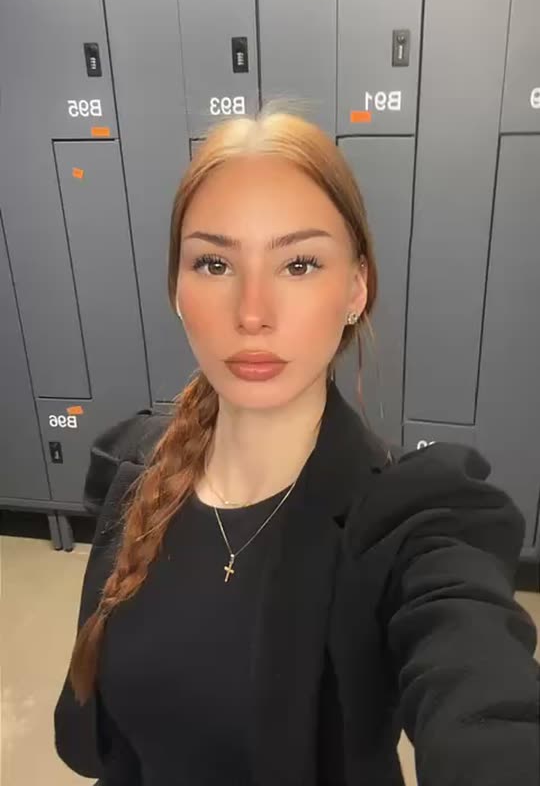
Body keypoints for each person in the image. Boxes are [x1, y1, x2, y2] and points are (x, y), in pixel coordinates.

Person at [54, 112, 539, 786]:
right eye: (215, 263)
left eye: (299, 263)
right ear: (177, 290)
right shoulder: (133, 469)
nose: (252, 312)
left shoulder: (409, 522)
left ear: (356, 287)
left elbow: (477, 679)